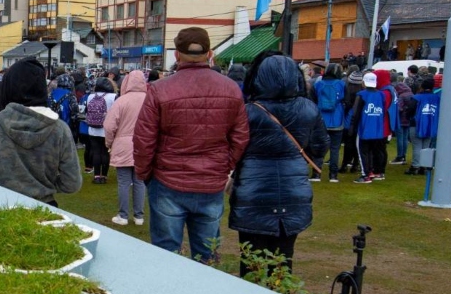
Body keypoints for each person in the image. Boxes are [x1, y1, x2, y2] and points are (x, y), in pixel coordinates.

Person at [134, 28, 248, 262]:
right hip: (202, 180)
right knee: (206, 255)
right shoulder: (230, 89)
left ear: (177, 55)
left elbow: (144, 139)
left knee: (166, 255)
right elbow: (240, 136)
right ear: (210, 53)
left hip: (170, 179)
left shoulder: (159, 89)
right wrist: (225, 166)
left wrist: (145, 174)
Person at [230, 53, 327, 278]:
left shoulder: (248, 112)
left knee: (251, 263)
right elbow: (320, 147)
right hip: (290, 190)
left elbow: (234, 148)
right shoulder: (307, 108)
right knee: (282, 261)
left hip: (254, 192)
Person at [0, 58, 81, 206]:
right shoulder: (59, 129)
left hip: (0, 209)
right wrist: (44, 186)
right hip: (44, 208)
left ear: (8, 87)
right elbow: (71, 183)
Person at [104, 70, 149, 226]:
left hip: (123, 145)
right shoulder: (149, 100)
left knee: (123, 182)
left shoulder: (121, 101)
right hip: (144, 145)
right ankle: (139, 216)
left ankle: (123, 216)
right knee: (139, 182)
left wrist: (109, 143)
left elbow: (109, 126)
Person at [348, 72, 389, 184]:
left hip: (364, 128)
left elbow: (356, 113)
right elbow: (384, 111)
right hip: (377, 129)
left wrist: (352, 127)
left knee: (363, 152)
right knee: (372, 151)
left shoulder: (361, 95)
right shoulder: (381, 95)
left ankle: (365, 175)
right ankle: (371, 171)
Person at [312, 63, 345, 182]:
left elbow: (314, 99)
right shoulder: (341, 84)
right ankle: (333, 175)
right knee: (335, 149)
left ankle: (316, 174)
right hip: (337, 119)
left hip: (322, 120)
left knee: (319, 148)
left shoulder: (319, 84)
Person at [84, 78, 117, 183]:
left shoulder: (90, 96)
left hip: (92, 128)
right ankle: (104, 176)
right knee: (105, 152)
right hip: (106, 128)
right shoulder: (112, 97)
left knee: (96, 152)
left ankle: (97, 176)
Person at [410, 77, 440, 176]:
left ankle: (415, 166)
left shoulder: (416, 97)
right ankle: (424, 165)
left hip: (417, 123)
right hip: (431, 123)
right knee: (426, 146)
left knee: (417, 146)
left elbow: (410, 110)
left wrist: (409, 118)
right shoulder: (437, 98)